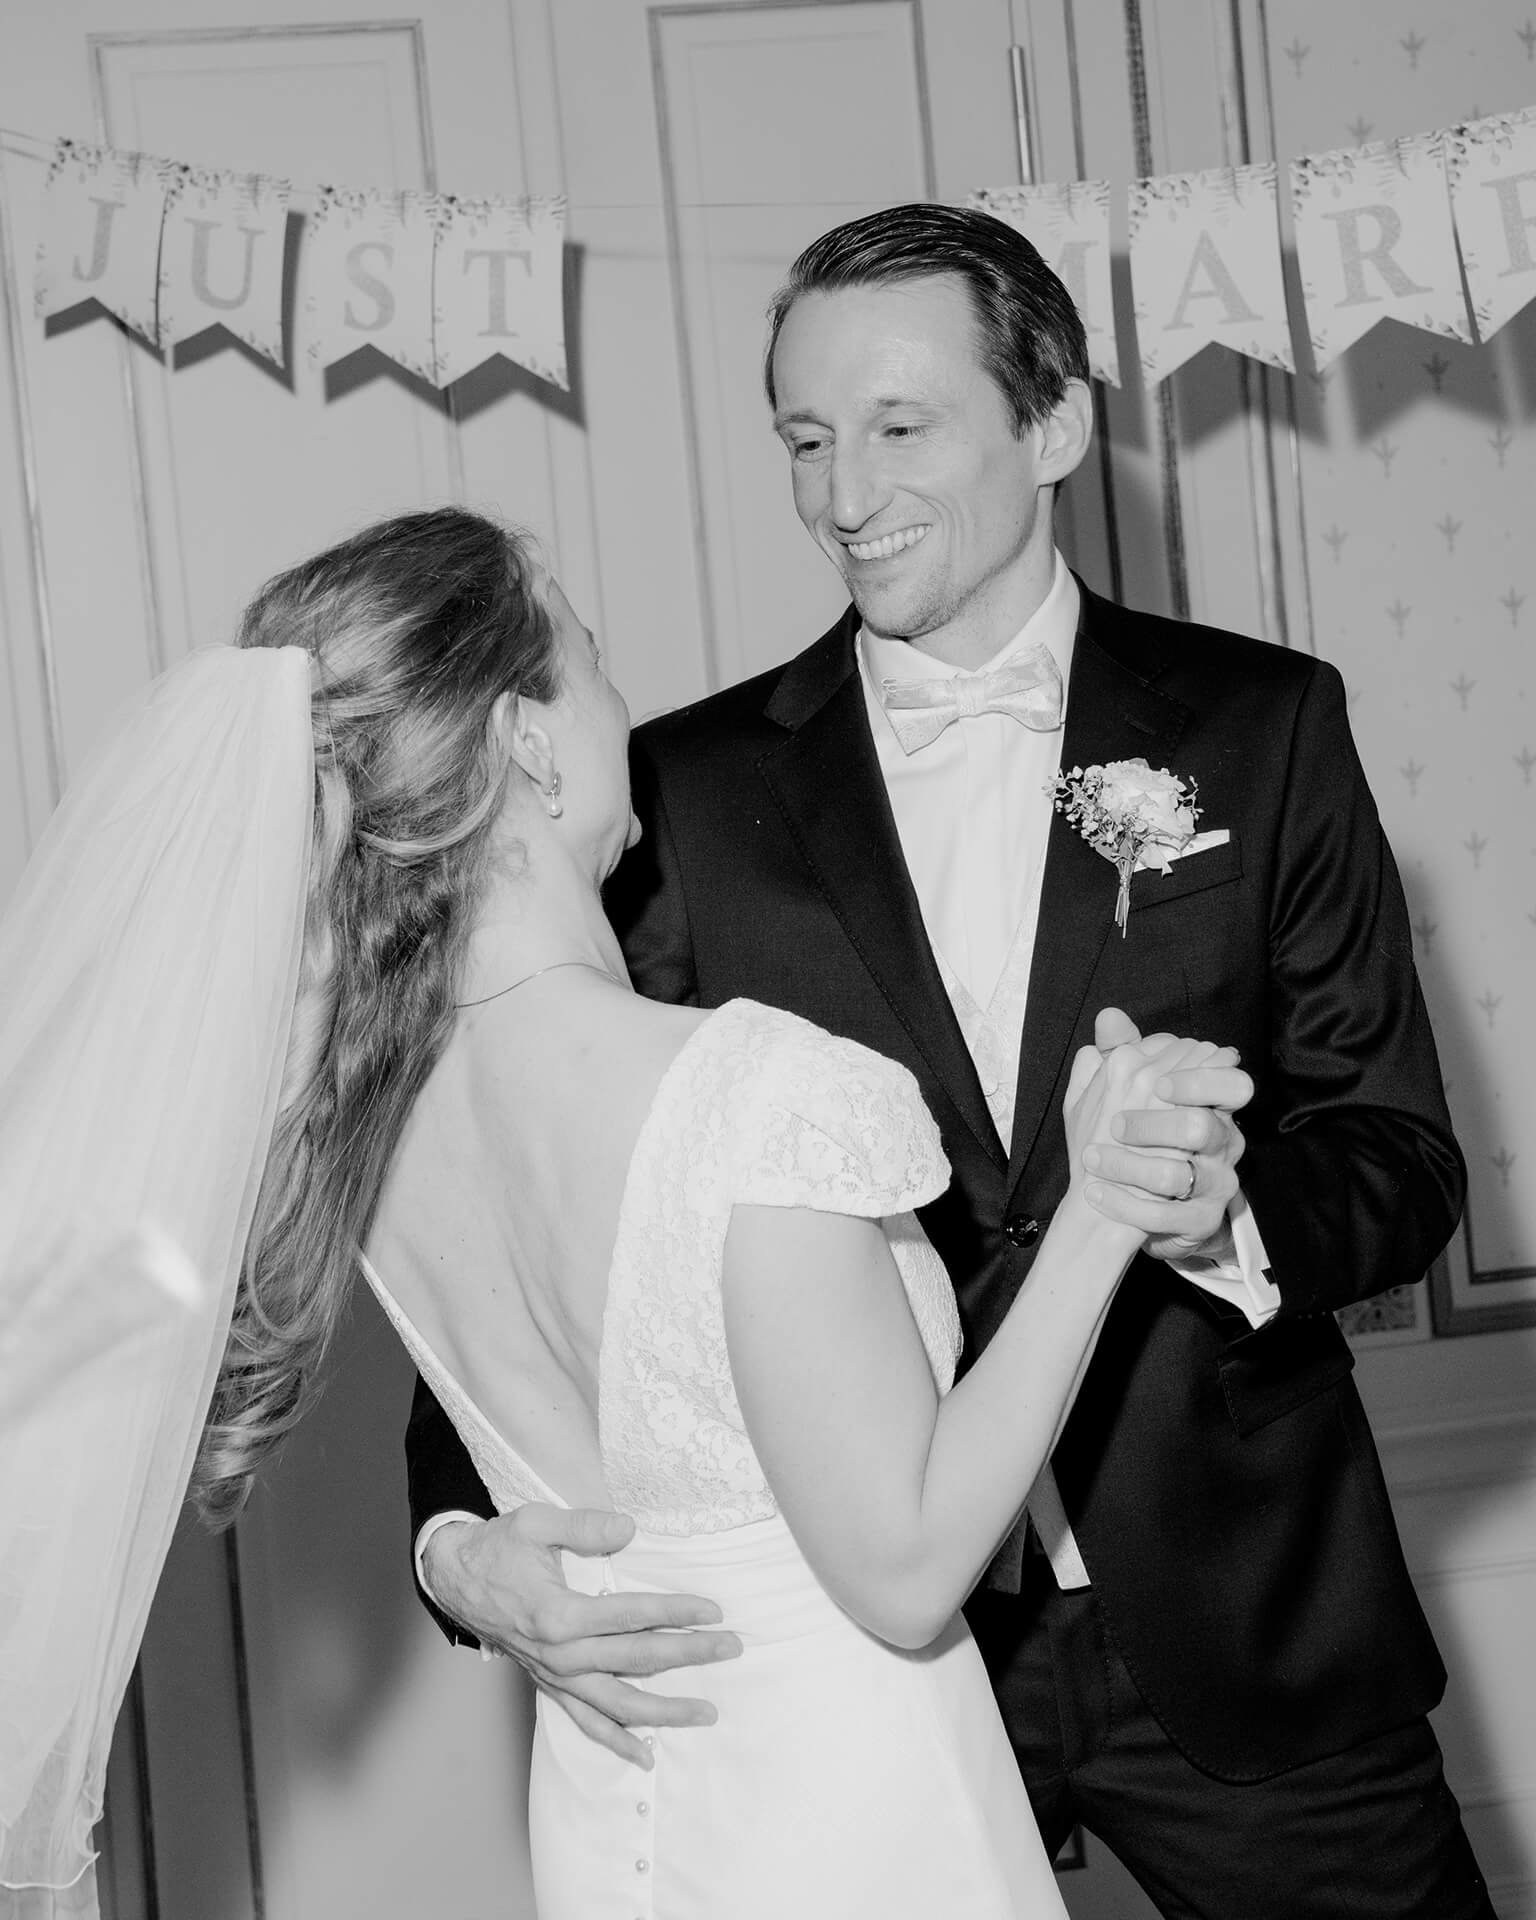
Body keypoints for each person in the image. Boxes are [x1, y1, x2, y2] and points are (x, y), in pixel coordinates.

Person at [408, 206, 1493, 1918]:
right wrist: (461, 1552)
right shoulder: (680, 795)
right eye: (804, 439)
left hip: (1249, 1626)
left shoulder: (1264, 725)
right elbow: (549, 1212)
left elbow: (1399, 1153)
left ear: (1052, 424)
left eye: (899, 427)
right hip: (854, 1677)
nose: (843, 495)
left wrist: (1220, 1212)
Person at [0, 505, 1247, 1920]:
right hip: (848, 1814)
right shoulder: (755, 1091)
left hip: (614, 1805)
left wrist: (455, 1554)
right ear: (527, 742)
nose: (622, 692)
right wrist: (1102, 1210)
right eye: (588, 652)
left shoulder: (369, 1132)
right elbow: (904, 1569)